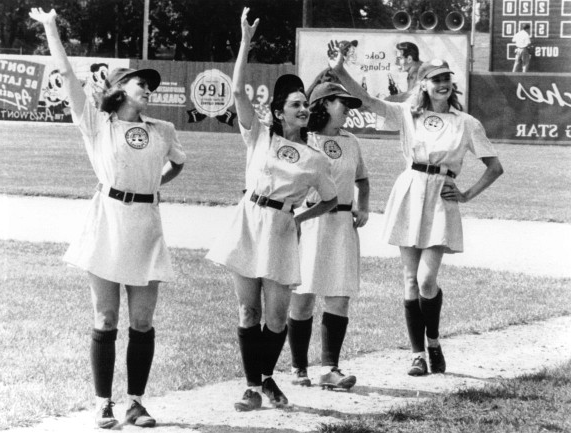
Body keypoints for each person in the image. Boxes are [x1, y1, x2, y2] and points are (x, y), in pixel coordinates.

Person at [29, 8, 186, 429]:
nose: (148, 89)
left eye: (151, 85)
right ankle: (103, 403)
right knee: (106, 318)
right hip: (107, 220)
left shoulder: (162, 130)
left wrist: (154, 186)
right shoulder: (97, 123)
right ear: (120, 88)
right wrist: (50, 28)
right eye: (141, 82)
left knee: (142, 320)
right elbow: (65, 70)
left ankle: (136, 402)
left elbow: (177, 164)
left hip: (146, 224)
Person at [328, 45, 504, 377]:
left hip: (441, 196)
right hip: (410, 190)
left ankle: (434, 341)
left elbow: (495, 167)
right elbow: (368, 100)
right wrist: (340, 71)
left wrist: (465, 195)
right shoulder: (408, 113)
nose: (442, 85)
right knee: (409, 279)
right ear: (423, 83)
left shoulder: (466, 122)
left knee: (426, 280)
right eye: (435, 79)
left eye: (446, 79)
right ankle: (418, 354)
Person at [206, 8, 337, 411]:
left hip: (281, 225)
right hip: (248, 220)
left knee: (276, 317)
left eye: (305, 104)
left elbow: (330, 199)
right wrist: (245, 42)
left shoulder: (315, 158)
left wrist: (300, 217)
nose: (302, 108)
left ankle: (265, 377)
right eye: (295, 103)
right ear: (279, 111)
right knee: (248, 309)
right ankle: (254, 385)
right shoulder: (258, 135)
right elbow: (238, 91)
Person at [288, 81, 369, 390]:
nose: (347, 108)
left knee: (339, 296)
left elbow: (363, 179)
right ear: (323, 105)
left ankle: (329, 368)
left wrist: (364, 205)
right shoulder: (303, 139)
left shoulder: (350, 141)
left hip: (342, 225)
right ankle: (298, 368)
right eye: (341, 102)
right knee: (303, 298)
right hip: (309, 222)